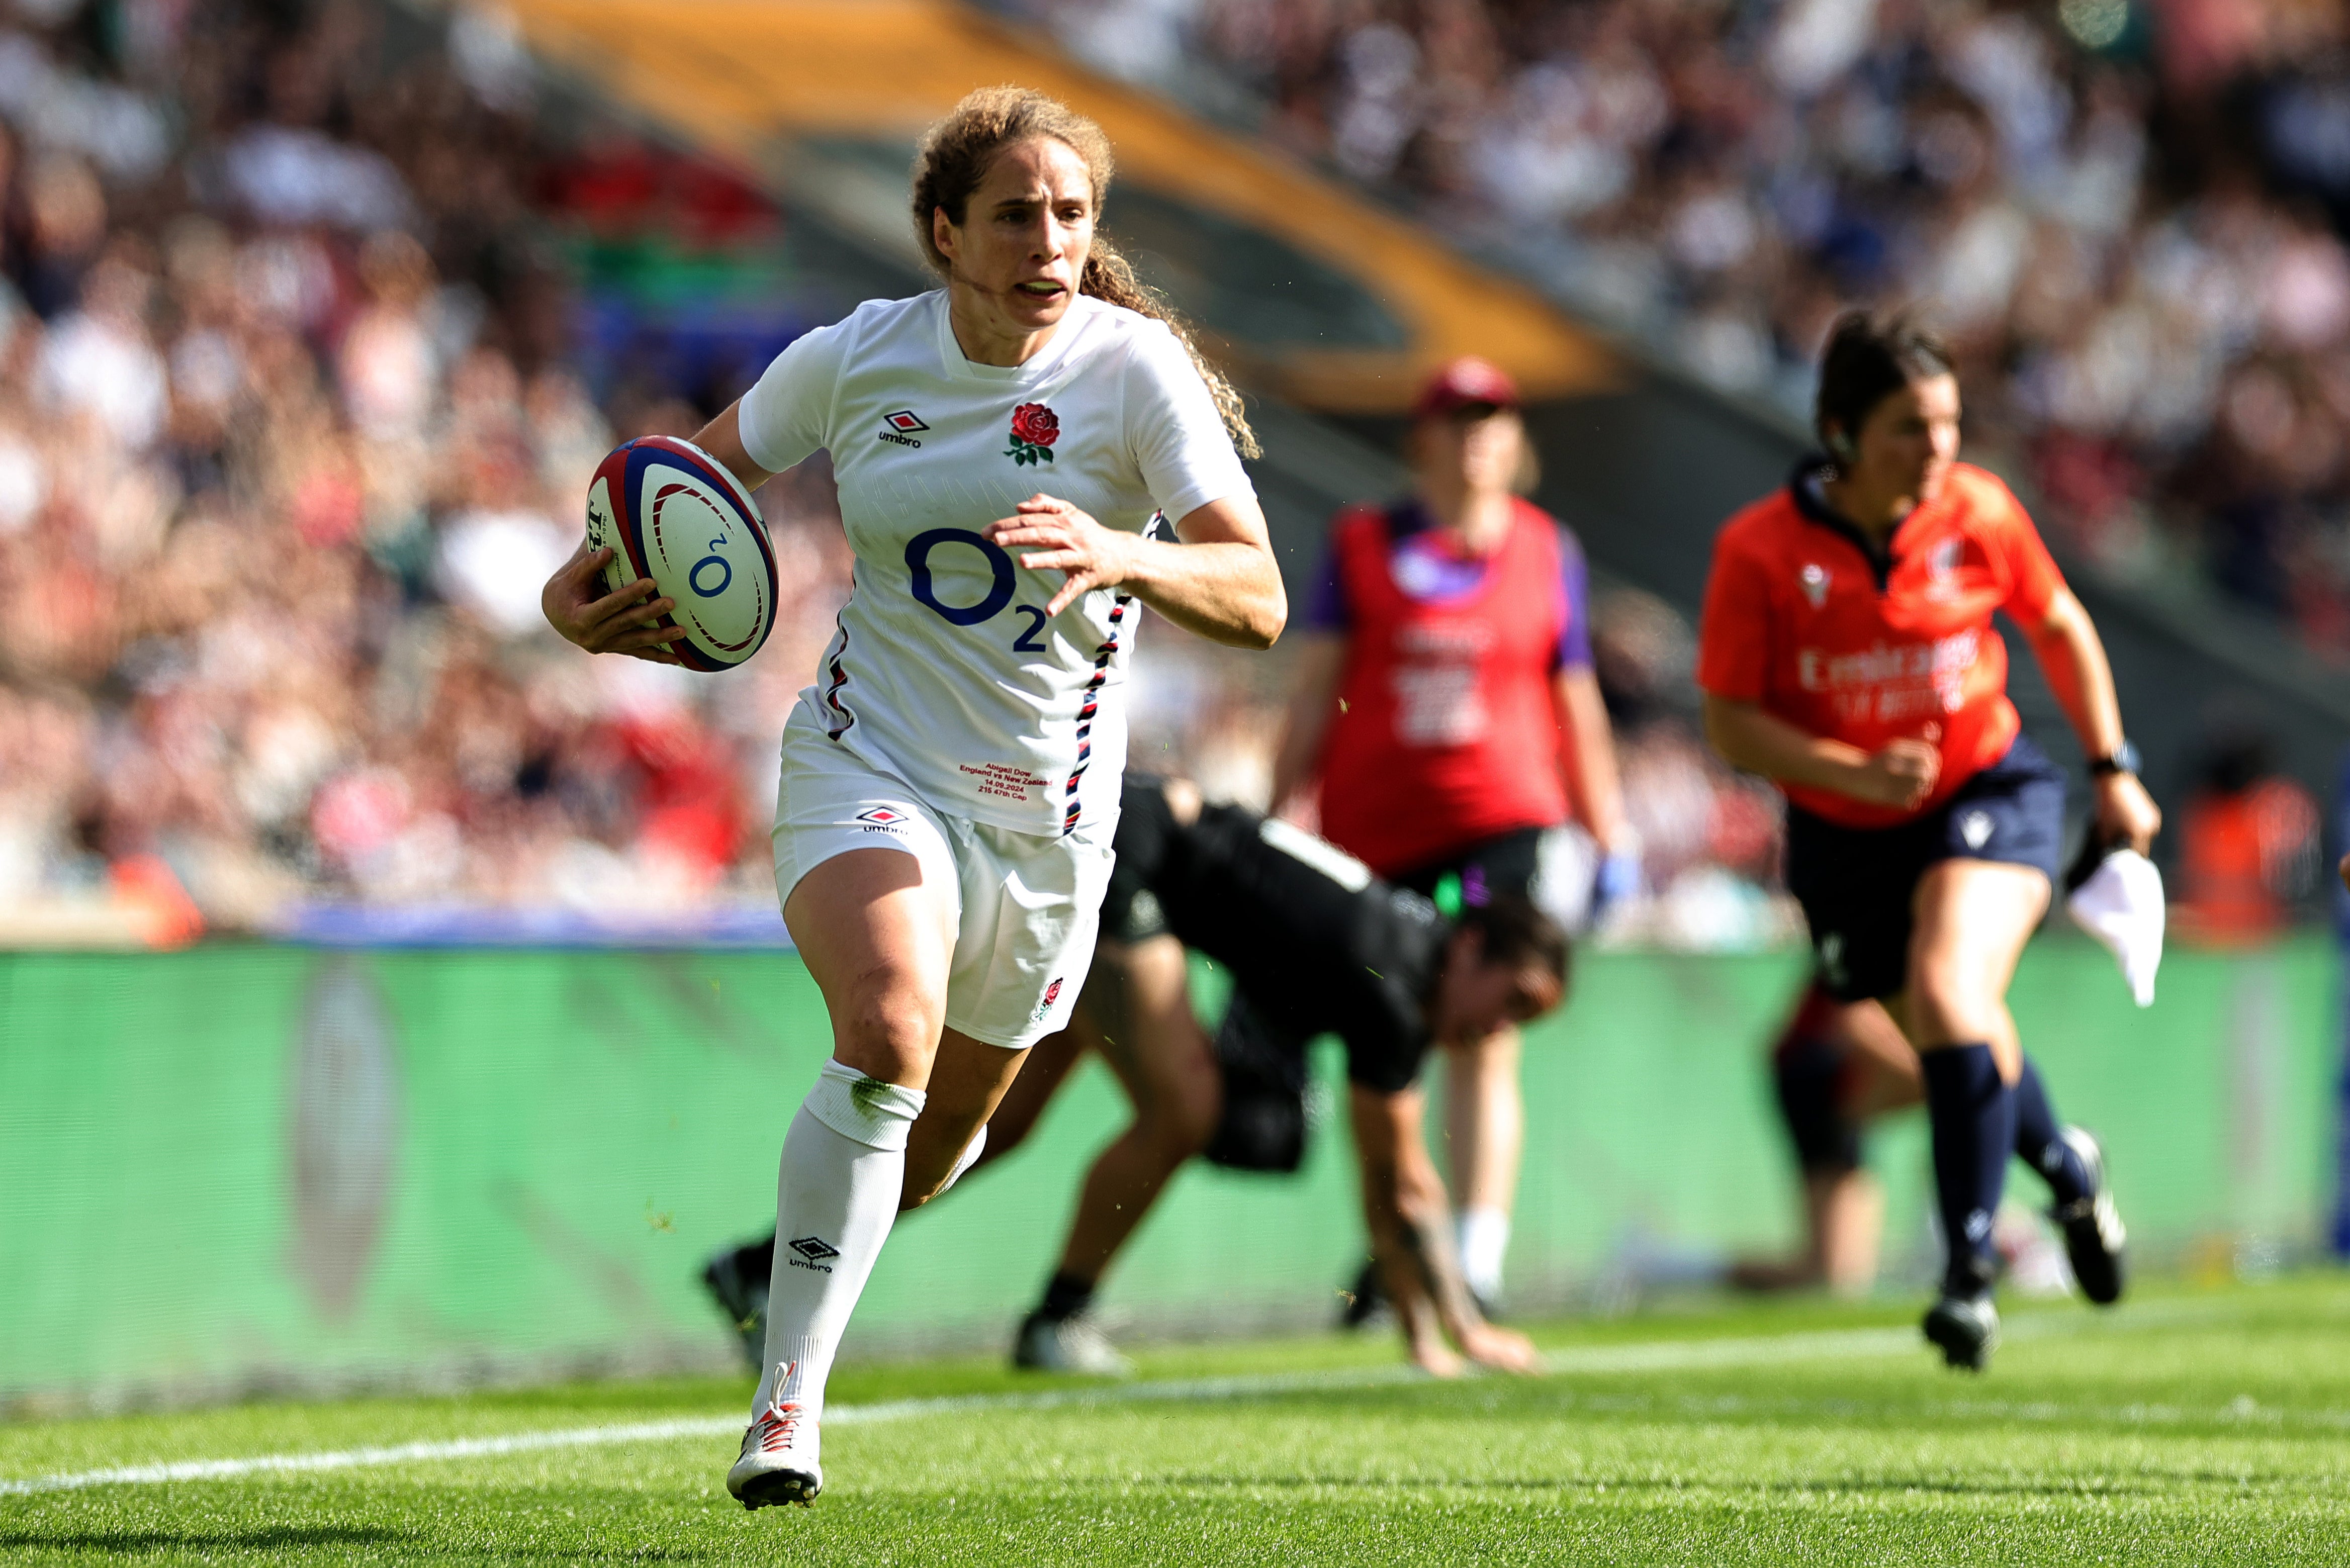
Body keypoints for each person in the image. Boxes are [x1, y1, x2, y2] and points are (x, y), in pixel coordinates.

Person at [541, 87, 1285, 1507]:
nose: (1049, 239)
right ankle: (787, 1413)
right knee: (886, 1032)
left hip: (1052, 829)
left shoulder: (1137, 375)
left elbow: (1256, 593)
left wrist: (1132, 561)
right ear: (946, 233)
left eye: (1071, 214)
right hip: (868, 761)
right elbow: (678, 479)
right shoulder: (856, 358)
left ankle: (787, 1277)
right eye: (1015, 213)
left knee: (941, 1148)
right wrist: (581, 582)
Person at [702, 775, 1561, 1379]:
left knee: (979, 1130)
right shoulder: (1397, 988)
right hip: (1131, 860)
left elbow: (1391, 1185)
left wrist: (1424, 1333)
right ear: (1474, 947)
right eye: (1511, 1002)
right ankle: (1059, 1317)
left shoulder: (1408, 955)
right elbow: (1400, 1182)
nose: (1498, 1028)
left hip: (1131, 841)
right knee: (1185, 1111)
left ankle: (764, 1264)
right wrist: (1460, 1329)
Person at [1695, 310, 2158, 1370]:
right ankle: (2068, 1168)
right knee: (1961, 1025)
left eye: (1947, 421)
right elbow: (1730, 723)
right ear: (1841, 432)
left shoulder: (1979, 510)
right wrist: (1848, 771)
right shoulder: (1760, 551)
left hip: (1986, 790)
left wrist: (2113, 769)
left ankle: (1967, 1273)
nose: (1938, 446)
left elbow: (2059, 626)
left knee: (1953, 993)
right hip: (1847, 833)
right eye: (1909, 426)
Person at [1271, 356, 1631, 1317]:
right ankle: (1398, 1241)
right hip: (1375, 834)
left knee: (1486, 1030)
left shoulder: (1546, 548)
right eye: (1459, 417)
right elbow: (1315, 690)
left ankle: (1473, 1257)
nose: (1478, 434)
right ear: (1419, 440)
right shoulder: (1357, 544)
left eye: (1495, 418)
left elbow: (1575, 702)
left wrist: (1610, 831)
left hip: (1501, 824)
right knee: (1388, 1040)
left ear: (1517, 442)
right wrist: (1277, 811)